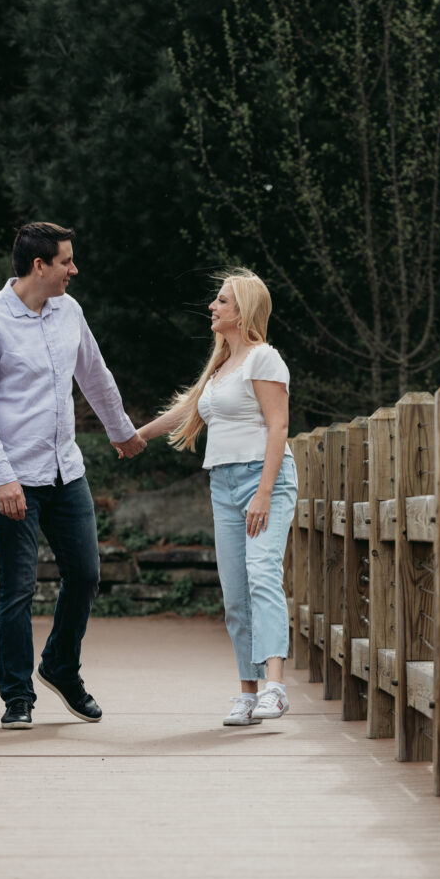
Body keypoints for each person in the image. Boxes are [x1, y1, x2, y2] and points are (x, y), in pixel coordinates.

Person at [0, 221, 146, 729]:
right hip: (12, 473)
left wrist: (121, 431)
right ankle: (17, 696)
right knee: (17, 588)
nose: (73, 269)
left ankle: (60, 667)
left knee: (85, 574)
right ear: (38, 266)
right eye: (66, 261)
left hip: (65, 469)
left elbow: (95, 375)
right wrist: (3, 477)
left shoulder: (69, 311)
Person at [137, 268, 297, 725]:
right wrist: (135, 437)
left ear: (242, 309)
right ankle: (247, 693)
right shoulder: (222, 364)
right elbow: (189, 408)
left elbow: (278, 426)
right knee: (234, 591)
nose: (213, 306)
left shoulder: (264, 359)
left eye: (222, 301)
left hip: (263, 479)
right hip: (223, 484)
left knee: (262, 573)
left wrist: (264, 492)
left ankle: (276, 688)